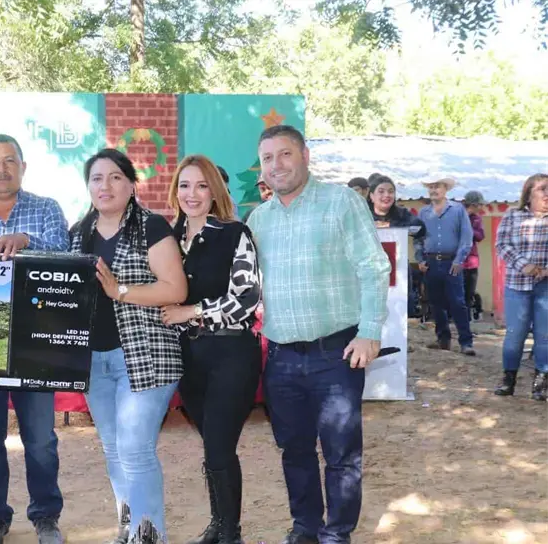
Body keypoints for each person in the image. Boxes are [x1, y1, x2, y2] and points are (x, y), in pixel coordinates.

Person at [246, 125, 390, 544]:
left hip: (337, 355)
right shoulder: (258, 220)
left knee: (342, 454)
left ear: (305, 156)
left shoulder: (341, 202)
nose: (276, 165)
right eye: (268, 158)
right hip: (281, 359)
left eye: (285, 154)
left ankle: (337, 534)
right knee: (294, 451)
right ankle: (305, 528)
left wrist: (369, 332)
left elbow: (374, 268)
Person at [69, 149, 187, 544]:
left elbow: (175, 289)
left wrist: (119, 290)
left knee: (135, 449)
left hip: (146, 356)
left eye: (115, 177)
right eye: (97, 178)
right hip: (93, 361)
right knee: (114, 449)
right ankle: (130, 525)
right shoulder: (78, 233)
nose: (105, 186)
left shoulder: (151, 226)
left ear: (131, 185)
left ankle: (148, 536)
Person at [0, 134, 68, 544]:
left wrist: (26, 241)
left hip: (35, 343)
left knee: (40, 441)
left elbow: (66, 255)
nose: (1, 168)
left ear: (23, 167)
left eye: (9, 160)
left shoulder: (46, 209)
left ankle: (46, 516)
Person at [159, 155, 261, 544]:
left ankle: (230, 533)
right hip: (188, 357)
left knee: (218, 445)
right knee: (213, 446)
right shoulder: (168, 239)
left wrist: (192, 310)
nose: (192, 194)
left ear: (215, 192)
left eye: (202, 186)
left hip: (231, 354)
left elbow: (247, 297)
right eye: (185, 185)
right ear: (175, 191)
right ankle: (220, 525)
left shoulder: (234, 233)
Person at [494, 174, 548, 401]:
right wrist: (524, 265)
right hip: (517, 285)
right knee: (515, 335)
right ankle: (508, 380)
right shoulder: (512, 215)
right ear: (529, 193)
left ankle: (541, 383)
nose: (547, 194)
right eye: (543, 189)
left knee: (544, 335)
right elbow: (501, 244)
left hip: (545, 286)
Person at [414, 177, 476, 356]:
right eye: (431, 187)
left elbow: (466, 237)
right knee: (436, 302)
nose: (434, 190)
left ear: (445, 189)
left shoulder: (458, 210)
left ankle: (466, 342)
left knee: (458, 302)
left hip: (452, 262)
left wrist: (459, 260)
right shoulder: (423, 213)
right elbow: (417, 238)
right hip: (431, 262)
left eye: (437, 186)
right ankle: (443, 339)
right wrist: (420, 260)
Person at [366, 175, 426, 317]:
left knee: (401, 307)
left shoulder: (402, 213)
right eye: (381, 191)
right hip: (369, 269)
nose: (386, 195)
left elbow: (420, 229)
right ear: (372, 196)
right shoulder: (362, 213)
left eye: (391, 191)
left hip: (398, 269)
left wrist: (391, 226)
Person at [461, 190, 486, 320]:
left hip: (471, 263)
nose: (481, 207)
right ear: (473, 204)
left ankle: (467, 322)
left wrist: (468, 228)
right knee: (456, 294)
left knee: (469, 294)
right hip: (455, 262)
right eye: (480, 204)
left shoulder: (476, 218)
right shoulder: (456, 215)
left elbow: (480, 236)